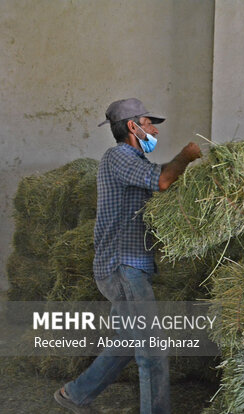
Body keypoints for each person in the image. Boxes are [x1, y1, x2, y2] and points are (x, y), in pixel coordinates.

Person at [54, 98, 202, 414]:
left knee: (128, 341)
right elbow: (163, 179)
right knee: (153, 350)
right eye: (150, 124)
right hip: (123, 267)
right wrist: (186, 157)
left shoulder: (131, 162)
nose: (155, 132)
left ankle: (75, 394)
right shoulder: (118, 157)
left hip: (129, 266)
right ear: (133, 126)